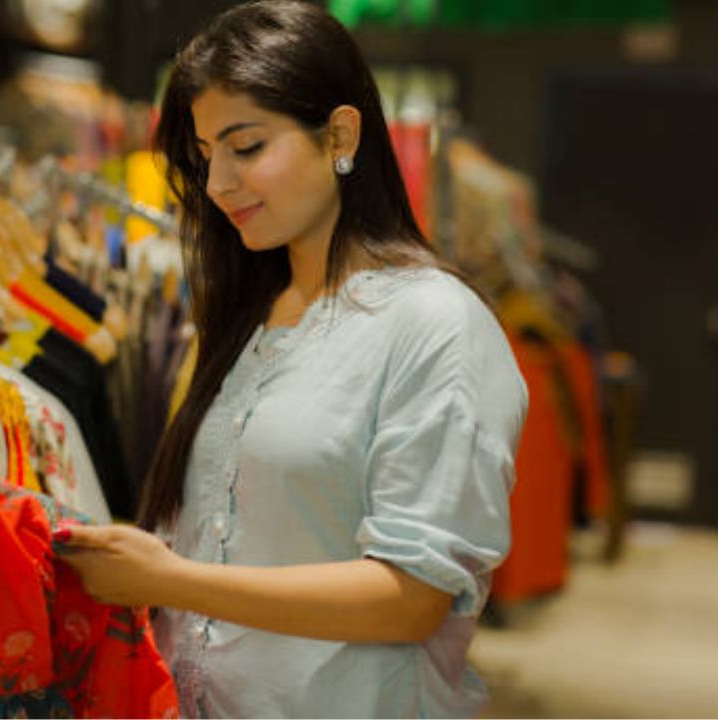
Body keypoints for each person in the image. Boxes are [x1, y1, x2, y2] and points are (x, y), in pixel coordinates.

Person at [53, 1, 528, 716]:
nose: (218, 184)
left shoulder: (434, 324)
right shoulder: (249, 313)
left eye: (246, 148)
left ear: (340, 135)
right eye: (205, 156)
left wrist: (169, 580)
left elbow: (413, 597)